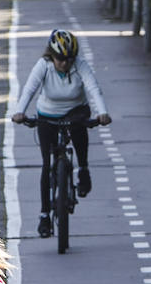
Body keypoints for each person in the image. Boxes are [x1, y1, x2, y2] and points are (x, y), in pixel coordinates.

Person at [10, 29, 111, 238]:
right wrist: (19, 111)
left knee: (80, 131)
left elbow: (93, 88)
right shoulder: (43, 66)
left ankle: (83, 169)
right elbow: (29, 89)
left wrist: (103, 113)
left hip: (76, 110)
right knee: (47, 165)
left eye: (68, 59)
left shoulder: (80, 66)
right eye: (59, 59)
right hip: (48, 114)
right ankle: (44, 215)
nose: (64, 63)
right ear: (51, 55)